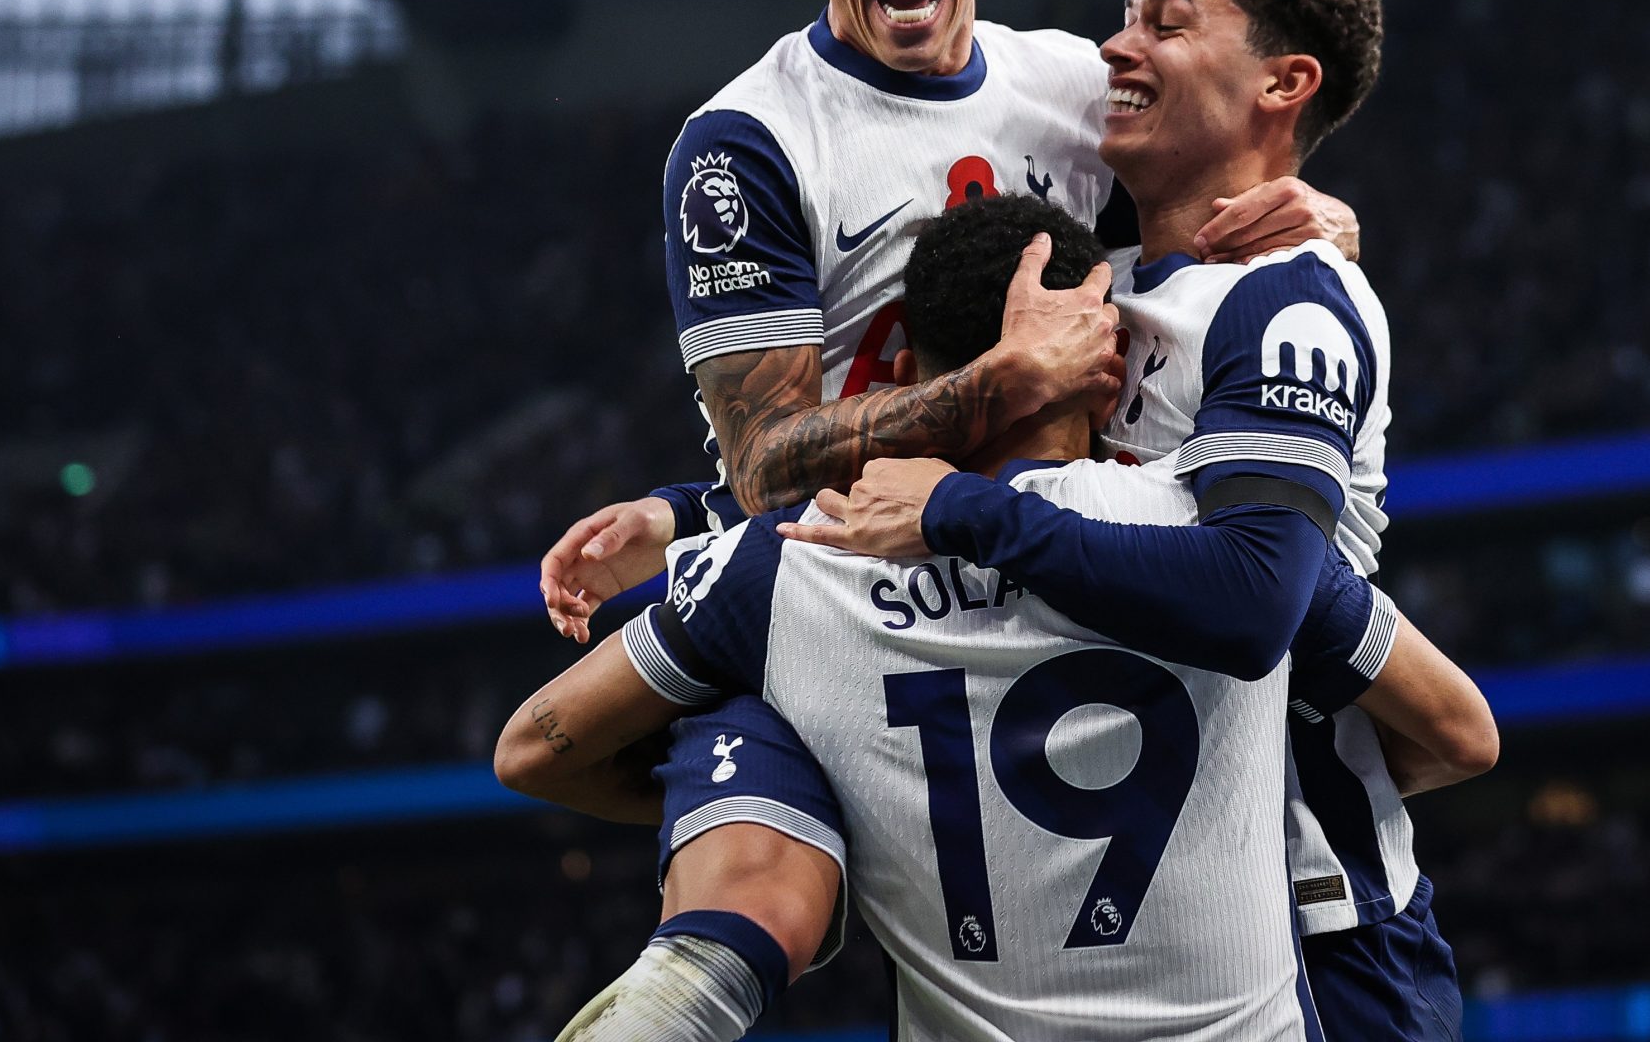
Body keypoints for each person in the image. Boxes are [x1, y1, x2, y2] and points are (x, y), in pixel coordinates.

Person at [530, 0, 1362, 1016]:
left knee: (1354, 675)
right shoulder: (746, 142)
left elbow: (1221, 177)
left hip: (1072, 542)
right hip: (860, 569)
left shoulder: (1077, 92)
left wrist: (1323, 220)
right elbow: (765, 463)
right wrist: (998, 384)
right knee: (747, 868)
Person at [498, 196, 1496, 1041]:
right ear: (1106, 367)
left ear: (914, 379)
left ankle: (706, 955)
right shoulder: (1220, 544)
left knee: (739, 718)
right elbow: (1460, 732)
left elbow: (535, 746)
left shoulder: (787, 566)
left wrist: (833, 795)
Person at [797, 0, 1472, 1037]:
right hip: (1102, 917)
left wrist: (965, 508)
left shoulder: (1287, 301)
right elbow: (903, 442)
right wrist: (682, 512)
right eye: (1122, 17)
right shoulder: (1073, 281)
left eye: (1167, 20)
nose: (1117, 46)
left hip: (1316, 933)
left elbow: (1256, 599)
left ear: (1283, 81)